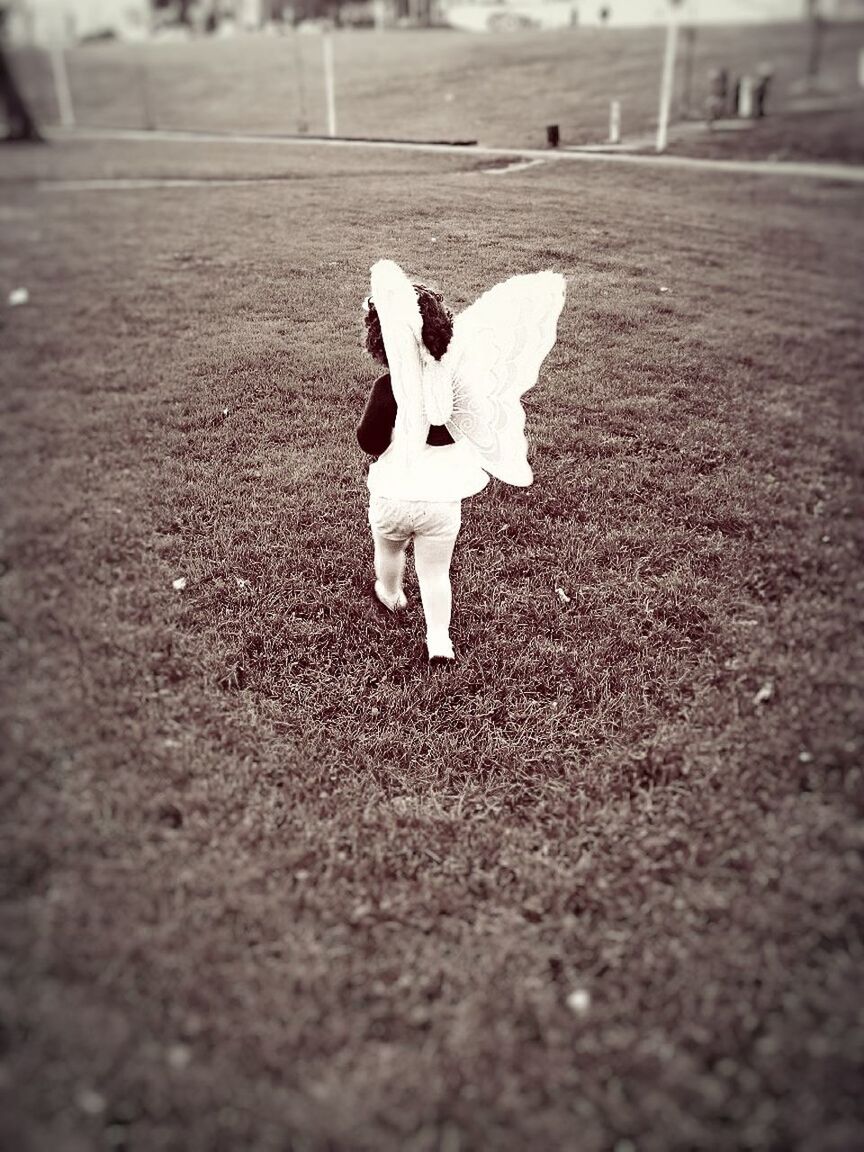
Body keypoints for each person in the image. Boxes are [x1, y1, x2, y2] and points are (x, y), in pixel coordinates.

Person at [356, 260, 566, 664]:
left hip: (392, 495)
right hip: (441, 502)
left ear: (384, 342)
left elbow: (369, 440)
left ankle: (391, 592)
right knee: (435, 573)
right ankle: (439, 640)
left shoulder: (388, 388)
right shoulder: (456, 387)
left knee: (390, 548)